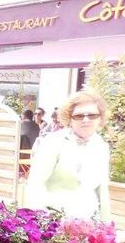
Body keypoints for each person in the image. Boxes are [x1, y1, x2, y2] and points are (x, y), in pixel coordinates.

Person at [26, 91, 111, 221]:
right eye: (79, 116)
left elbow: (102, 192)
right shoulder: (53, 142)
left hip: (89, 224)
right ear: (69, 118)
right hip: (55, 223)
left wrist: (107, 227)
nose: (86, 120)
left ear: (100, 118)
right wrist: (39, 223)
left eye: (92, 115)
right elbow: (36, 184)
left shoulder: (102, 147)